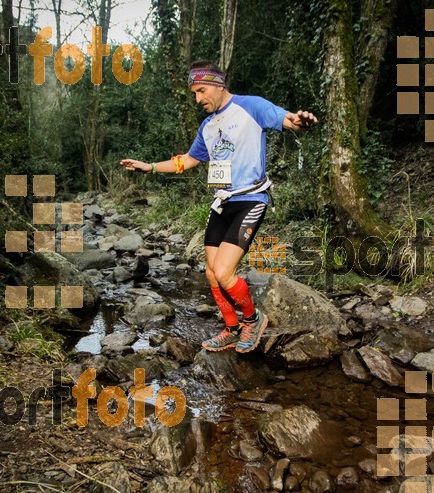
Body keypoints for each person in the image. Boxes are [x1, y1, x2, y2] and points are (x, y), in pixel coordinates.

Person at [120, 60, 317, 354]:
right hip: (222, 203)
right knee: (212, 273)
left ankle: (252, 319)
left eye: (201, 91)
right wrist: (148, 167)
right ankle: (232, 328)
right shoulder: (208, 127)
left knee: (225, 272)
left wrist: (299, 121)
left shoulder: (251, 106)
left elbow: (287, 120)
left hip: (250, 199)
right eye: (194, 94)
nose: (198, 99)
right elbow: (186, 160)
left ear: (217, 84)